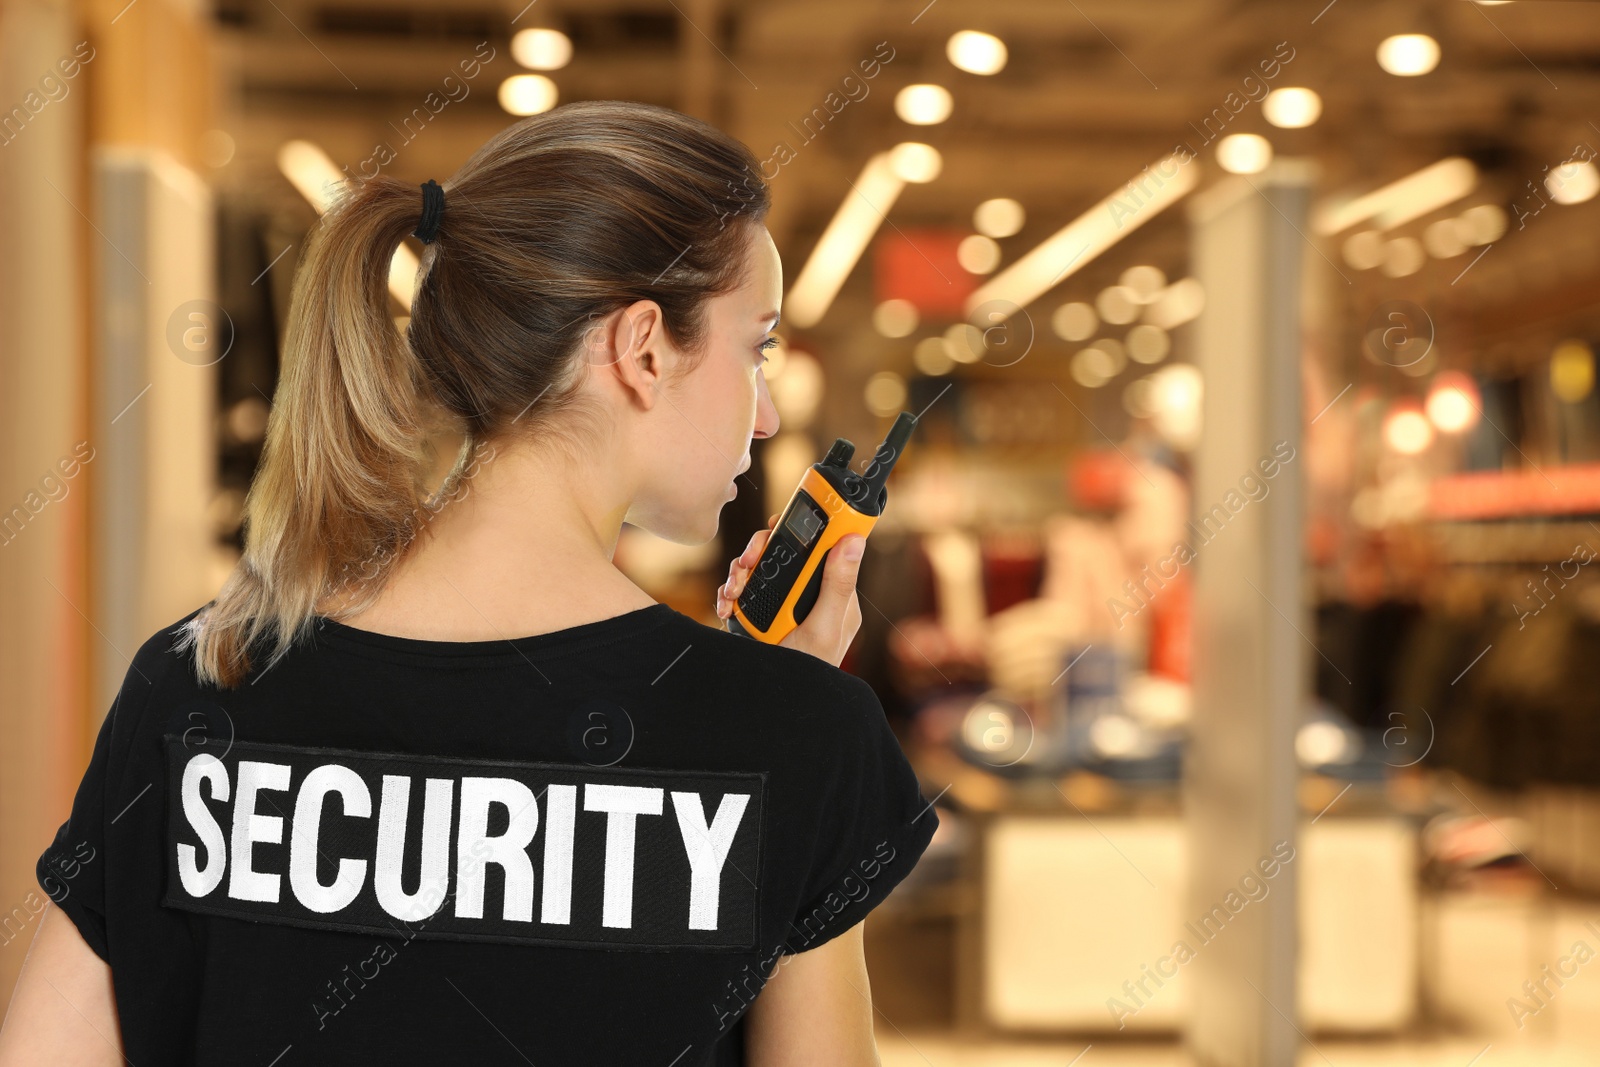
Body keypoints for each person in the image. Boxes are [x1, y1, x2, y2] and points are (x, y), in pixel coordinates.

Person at [0, 100, 939, 1066]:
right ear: (645, 346)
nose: (770, 414)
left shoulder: (195, 681)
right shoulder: (795, 736)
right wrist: (791, 733)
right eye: (759, 347)